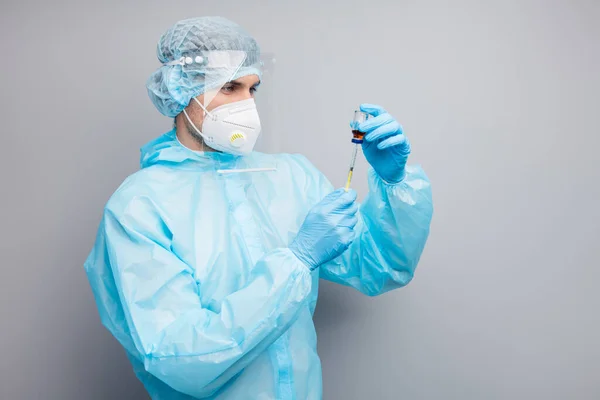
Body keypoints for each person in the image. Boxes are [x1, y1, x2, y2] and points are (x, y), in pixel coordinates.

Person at [84, 16, 433, 400]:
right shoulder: (140, 207)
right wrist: (296, 262)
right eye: (230, 87)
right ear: (182, 90)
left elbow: (380, 266)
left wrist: (394, 183)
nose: (246, 104)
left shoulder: (290, 176)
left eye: (252, 88)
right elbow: (180, 357)